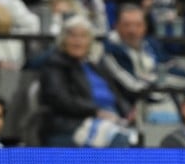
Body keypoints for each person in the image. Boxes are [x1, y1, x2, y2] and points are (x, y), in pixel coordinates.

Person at [39, 15, 136, 147]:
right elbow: (60, 99)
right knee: (119, 139)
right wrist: (96, 111)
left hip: (110, 118)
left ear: (89, 41)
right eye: (72, 36)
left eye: (83, 36)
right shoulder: (55, 64)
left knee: (135, 137)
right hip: (75, 122)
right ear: (63, 39)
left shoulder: (94, 65)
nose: (78, 41)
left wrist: (127, 111)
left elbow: (115, 92)